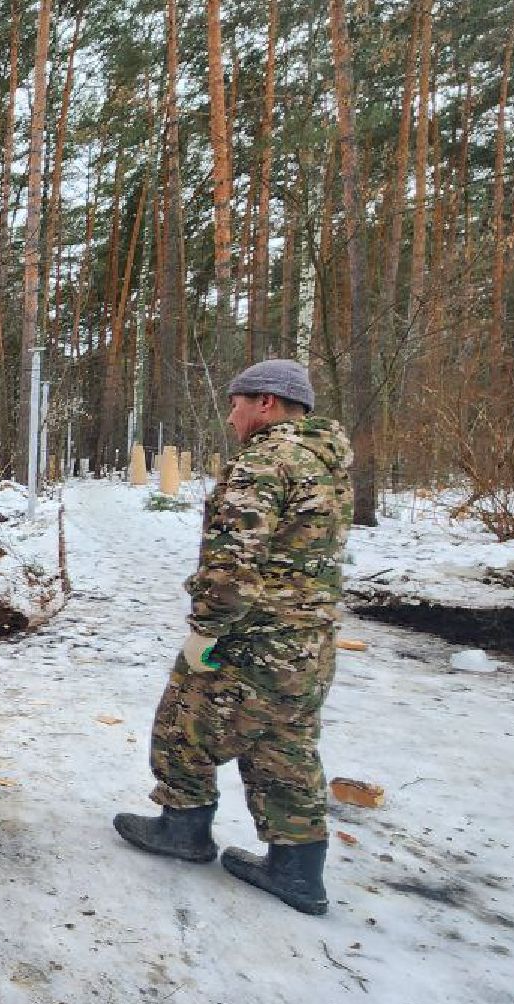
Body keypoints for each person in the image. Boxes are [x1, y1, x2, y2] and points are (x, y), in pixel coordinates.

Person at [112, 359, 354, 916]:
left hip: (251, 640)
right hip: (309, 644)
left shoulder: (265, 463)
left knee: (182, 720)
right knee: (286, 745)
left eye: (237, 404)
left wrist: (205, 632)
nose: (231, 416)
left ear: (265, 403)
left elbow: (232, 562)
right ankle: (298, 870)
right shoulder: (326, 461)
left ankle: (183, 827)